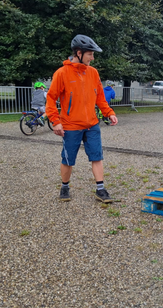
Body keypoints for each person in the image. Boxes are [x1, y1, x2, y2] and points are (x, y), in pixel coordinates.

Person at [46, 34, 118, 203]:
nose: (92, 58)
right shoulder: (62, 73)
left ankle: (100, 189)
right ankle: (65, 186)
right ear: (79, 52)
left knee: (97, 156)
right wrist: (55, 121)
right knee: (68, 159)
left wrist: (109, 112)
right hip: (70, 125)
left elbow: (100, 97)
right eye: (90, 54)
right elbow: (51, 98)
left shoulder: (93, 73)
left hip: (92, 124)